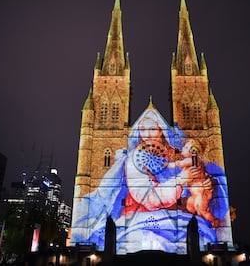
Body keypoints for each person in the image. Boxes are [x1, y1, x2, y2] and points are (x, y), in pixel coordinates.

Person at [70, 107, 230, 254]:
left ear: (162, 131)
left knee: (200, 235)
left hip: (179, 219)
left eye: (152, 129)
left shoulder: (178, 157)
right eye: (143, 129)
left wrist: (205, 189)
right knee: (158, 240)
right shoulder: (135, 159)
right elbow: (149, 199)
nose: (147, 134)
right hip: (138, 219)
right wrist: (181, 179)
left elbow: (186, 202)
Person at [165, 138, 220, 228]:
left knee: (201, 211)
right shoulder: (192, 162)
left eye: (186, 148)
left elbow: (178, 164)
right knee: (190, 208)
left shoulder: (192, 160)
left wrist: (166, 164)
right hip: (194, 195)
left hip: (200, 194)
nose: (183, 148)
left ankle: (213, 221)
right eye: (185, 146)